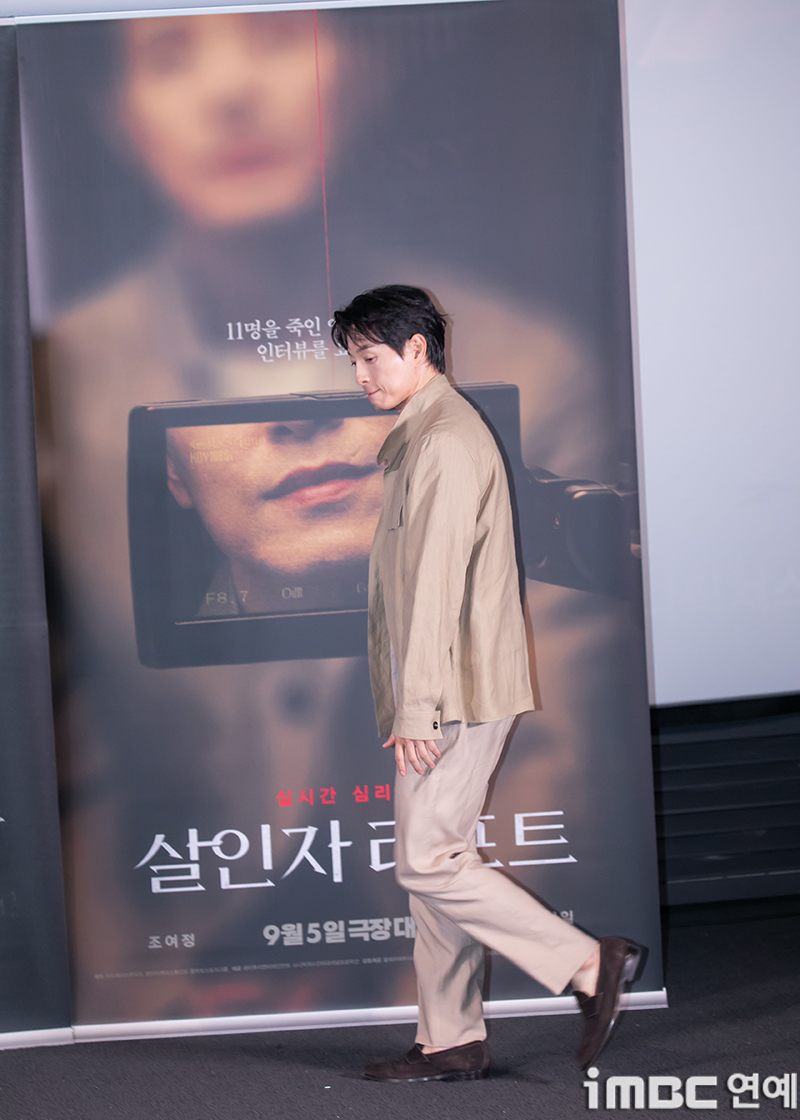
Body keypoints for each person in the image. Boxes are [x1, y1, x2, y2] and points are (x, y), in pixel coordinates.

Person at [332, 285, 641, 1081]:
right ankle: (451, 1039)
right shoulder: (426, 433)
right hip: (450, 682)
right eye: (354, 360)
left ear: (417, 349)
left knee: (426, 861)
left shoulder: (442, 440)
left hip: (454, 688)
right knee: (436, 860)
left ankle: (588, 963)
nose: (361, 376)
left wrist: (417, 707)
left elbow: (432, 586)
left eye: (370, 357)